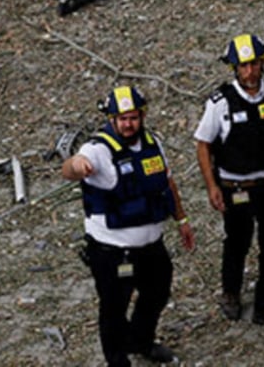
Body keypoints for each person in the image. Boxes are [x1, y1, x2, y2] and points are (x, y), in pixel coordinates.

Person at [62, 86, 197, 367]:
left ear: (142, 116)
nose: (127, 124)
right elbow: (69, 168)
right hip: (112, 250)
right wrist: (79, 165)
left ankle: (141, 341)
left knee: (158, 292)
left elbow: (168, 184)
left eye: (133, 117)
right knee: (113, 307)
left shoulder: (152, 144)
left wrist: (181, 219)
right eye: (121, 118)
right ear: (112, 119)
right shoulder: (98, 149)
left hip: (151, 245)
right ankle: (117, 360)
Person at [193, 34, 264, 329]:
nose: (250, 72)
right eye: (243, 66)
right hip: (237, 189)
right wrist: (212, 186)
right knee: (237, 242)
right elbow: (203, 144)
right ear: (234, 68)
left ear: (263, 64)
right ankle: (231, 293)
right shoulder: (221, 102)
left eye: (255, 64)